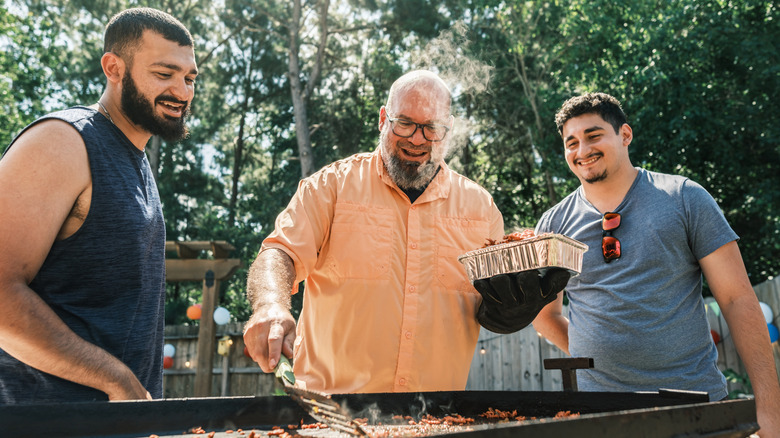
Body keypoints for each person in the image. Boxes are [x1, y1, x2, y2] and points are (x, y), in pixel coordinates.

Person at [532, 92, 780, 436]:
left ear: (625, 135)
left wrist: (770, 412)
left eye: (593, 135)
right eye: (570, 142)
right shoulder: (553, 225)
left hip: (696, 408)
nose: (581, 150)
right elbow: (545, 316)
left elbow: (738, 300)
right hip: (600, 417)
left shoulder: (685, 198)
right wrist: (600, 359)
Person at [243, 70, 506, 393]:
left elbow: (498, 303)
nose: (417, 138)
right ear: (384, 118)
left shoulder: (481, 209)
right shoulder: (330, 187)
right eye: (405, 123)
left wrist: (513, 310)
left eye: (432, 128)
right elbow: (279, 252)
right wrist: (270, 302)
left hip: (438, 418)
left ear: (448, 130)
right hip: (331, 415)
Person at [0, 8, 198, 403]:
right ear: (114, 67)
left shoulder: (137, 161)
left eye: (190, 77)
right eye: (164, 74)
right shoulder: (61, 142)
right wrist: (115, 379)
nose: (183, 91)